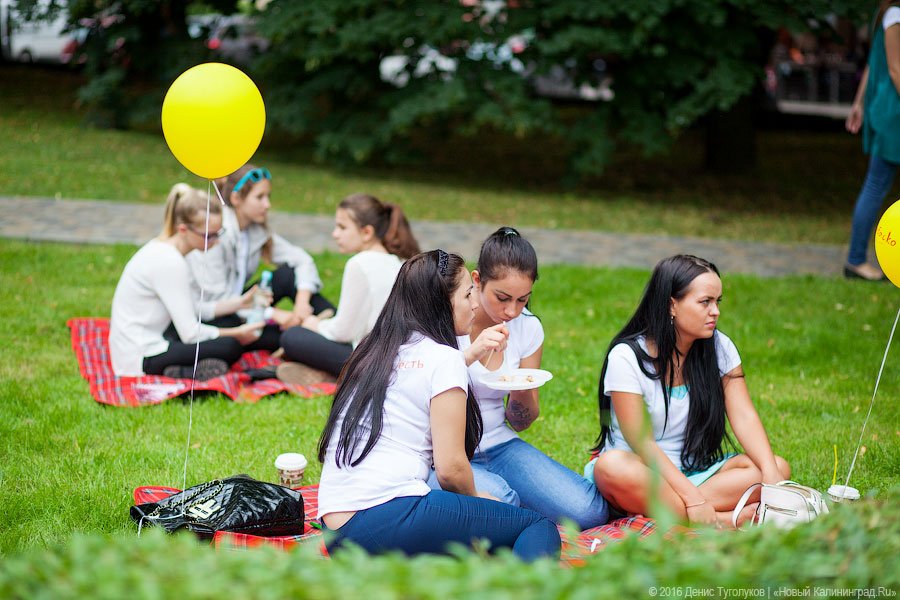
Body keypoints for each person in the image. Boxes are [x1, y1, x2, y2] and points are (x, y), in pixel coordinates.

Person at [317, 250, 561, 561]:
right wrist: (476, 498)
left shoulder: (374, 347)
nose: (475, 304)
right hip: (387, 513)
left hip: (337, 527)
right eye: (467, 295)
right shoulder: (443, 359)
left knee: (476, 536)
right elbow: (450, 469)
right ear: (441, 304)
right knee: (536, 526)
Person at [587, 255, 791, 528]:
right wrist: (692, 499)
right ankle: (721, 521)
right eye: (705, 302)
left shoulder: (720, 347)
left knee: (776, 465)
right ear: (672, 304)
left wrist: (770, 475)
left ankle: (669, 512)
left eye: (718, 301)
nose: (715, 311)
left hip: (698, 472)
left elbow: (744, 416)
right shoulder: (626, 357)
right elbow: (641, 443)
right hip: (642, 471)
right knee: (610, 467)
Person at [426, 227, 608, 530]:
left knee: (588, 511)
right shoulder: (447, 324)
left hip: (500, 444)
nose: (511, 311)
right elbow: (419, 386)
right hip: (446, 451)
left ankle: (500, 503)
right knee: (503, 504)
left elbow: (521, 421)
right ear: (476, 280)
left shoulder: (528, 328)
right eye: (502, 298)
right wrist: (472, 352)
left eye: (522, 300)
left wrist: (523, 389)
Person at [110, 184, 263, 379]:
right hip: (140, 357)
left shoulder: (167, 251)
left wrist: (238, 304)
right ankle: (183, 372)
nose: (215, 241)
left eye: (219, 233)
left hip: (147, 342)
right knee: (230, 346)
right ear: (183, 229)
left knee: (225, 323)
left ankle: (186, 369)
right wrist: (236, 333)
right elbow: (190, 334)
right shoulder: (170, 262)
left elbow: (192, 308)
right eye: (209, 236)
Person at [186, 164, 334, 352]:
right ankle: (320, 341)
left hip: (242, 302)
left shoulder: (254, 230)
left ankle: (334, 325)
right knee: (288, 336)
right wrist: (273, 314)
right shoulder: (218, 234)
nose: (267, 205)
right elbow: (223, 300)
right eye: (260, 197)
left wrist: (301, 303)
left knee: (288, 275)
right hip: (215, 313)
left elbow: (302, 259)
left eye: (268, 196)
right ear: (236, 198)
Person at [277, 193, 420, 383]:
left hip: (371, 361)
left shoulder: (359, 263)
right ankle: (327, 373)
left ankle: (333, 375)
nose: (335, 234)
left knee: (292, 337)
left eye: (342, 227)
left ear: (366, 232)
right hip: (394, 354)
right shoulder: (398, 261)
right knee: (318, 314)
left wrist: (314, 324)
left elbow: (343, 332)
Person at [844, 0, 900, 280]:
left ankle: (856, 259)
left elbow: (872, 64)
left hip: (885, 109)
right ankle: (855, 260)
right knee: (876, 185)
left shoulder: (884, 13)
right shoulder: (895, 14)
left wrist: (859, 102)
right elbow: (895, 69)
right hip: (894, 114)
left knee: (875, 184)